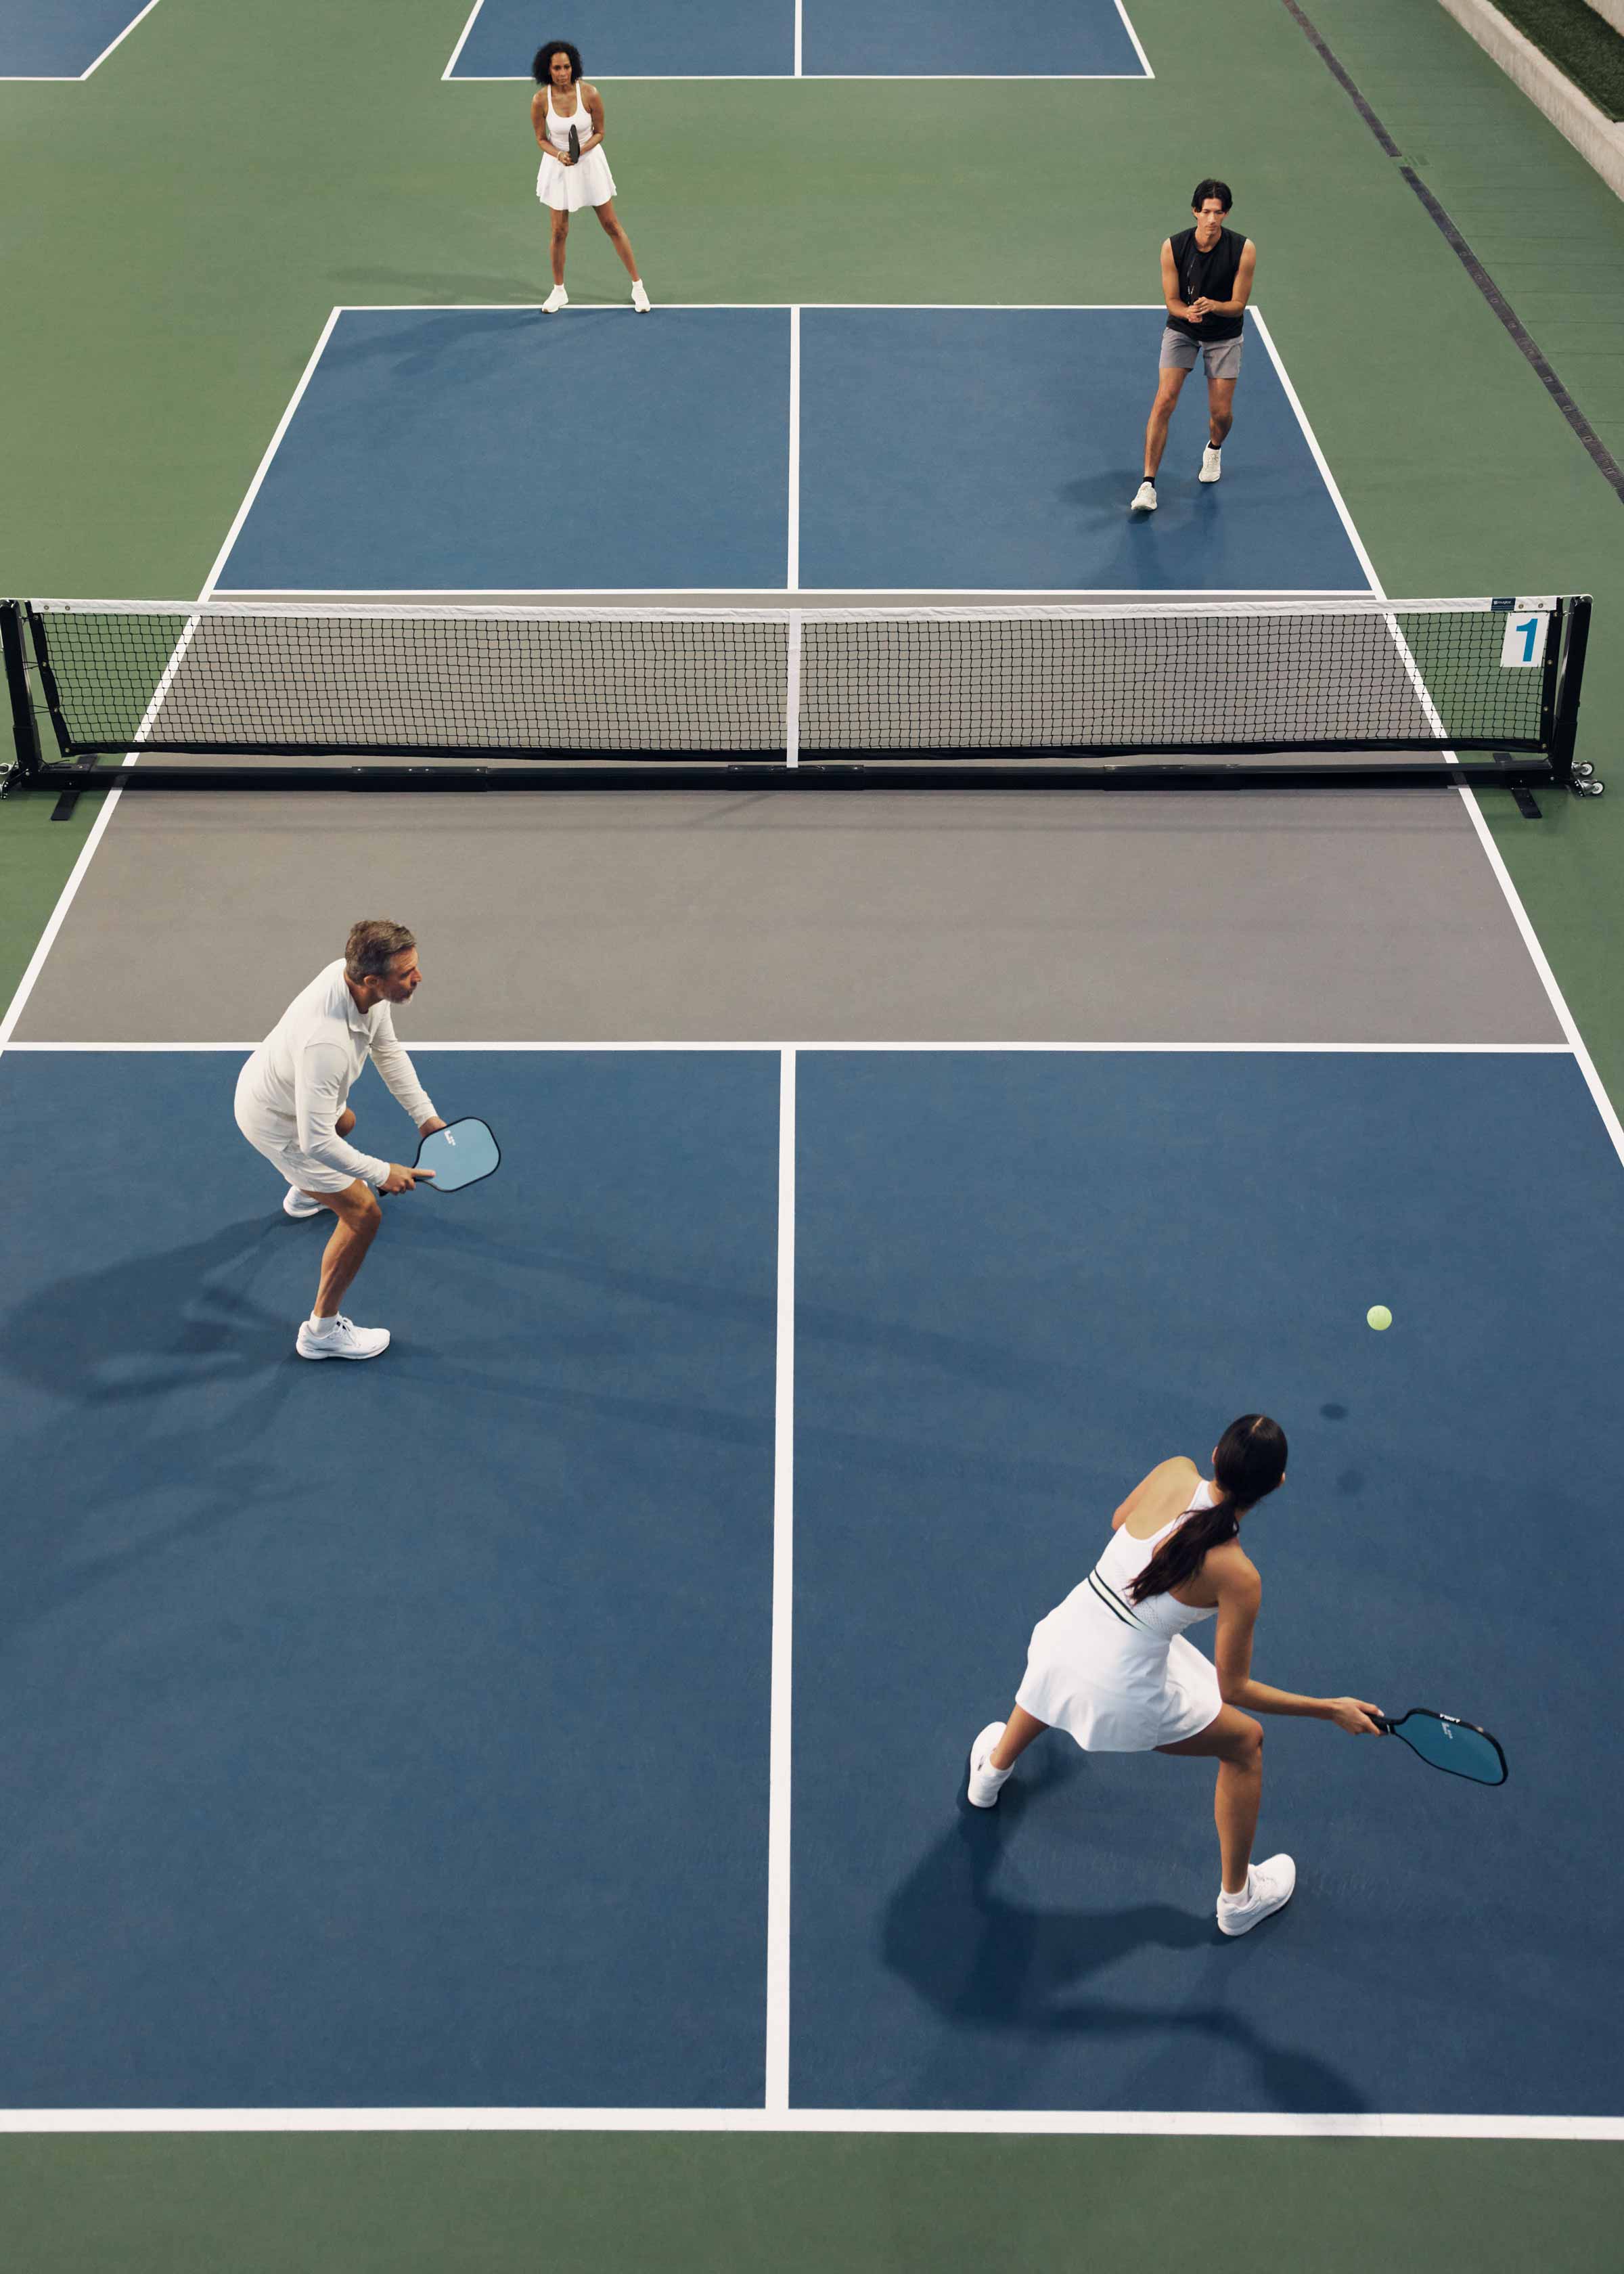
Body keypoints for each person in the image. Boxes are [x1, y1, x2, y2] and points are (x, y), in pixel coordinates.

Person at [965, 1415, 1383, 1936]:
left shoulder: (1172, 1471)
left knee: (1065, 1668)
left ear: (1214, 1455)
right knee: (1246, 1743)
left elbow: (1120, 1520)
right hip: (1120, 1688)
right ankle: (1238, 1900)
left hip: (1063, 1636)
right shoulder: (1239, 1575)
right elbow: (1236, 1689)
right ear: (1277, 1485)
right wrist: (1330, 1708)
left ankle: (989, 1775)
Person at [233, 920, 446, 1363]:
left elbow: (386, 1050)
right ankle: (322, 1332)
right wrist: (382, 1172)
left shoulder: (357, 987)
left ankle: (307, 1193)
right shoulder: (324, 1043)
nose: (418, 978)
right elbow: (313, 1142)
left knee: (344, 1121)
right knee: (364, 1214)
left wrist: (425, 1117)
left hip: (281, 1094)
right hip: (277, 1123)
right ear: (372, 980)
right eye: (407, 973)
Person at [1131, 179, 1256, 513]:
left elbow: (1238, 304)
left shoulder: (1244, 249)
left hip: (1225, 332)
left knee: (1221, 413)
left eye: (1218, 212)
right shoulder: (1173, 247)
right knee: (1164, 400)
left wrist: (1212, 306)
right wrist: (1188, 312)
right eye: (1206, 212)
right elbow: (1172, 300)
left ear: (1225, 214)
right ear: (1195, 212)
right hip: (1183, 329)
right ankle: (1148, 485)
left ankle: (1214, 448)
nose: (1212, 219)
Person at [532, 41, 650, 315]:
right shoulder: (541, 100)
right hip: (558, 167)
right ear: (547, 70)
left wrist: (580, 150)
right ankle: (559, 291)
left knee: (611, 224)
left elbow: (600, 132)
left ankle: (638, 286)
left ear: (573, 67)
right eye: (557, 68)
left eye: (567, 67)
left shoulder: (590, 94)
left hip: (589, 163)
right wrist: (560, 155)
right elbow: (540, 139)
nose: (563, 73)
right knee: (559, 231)